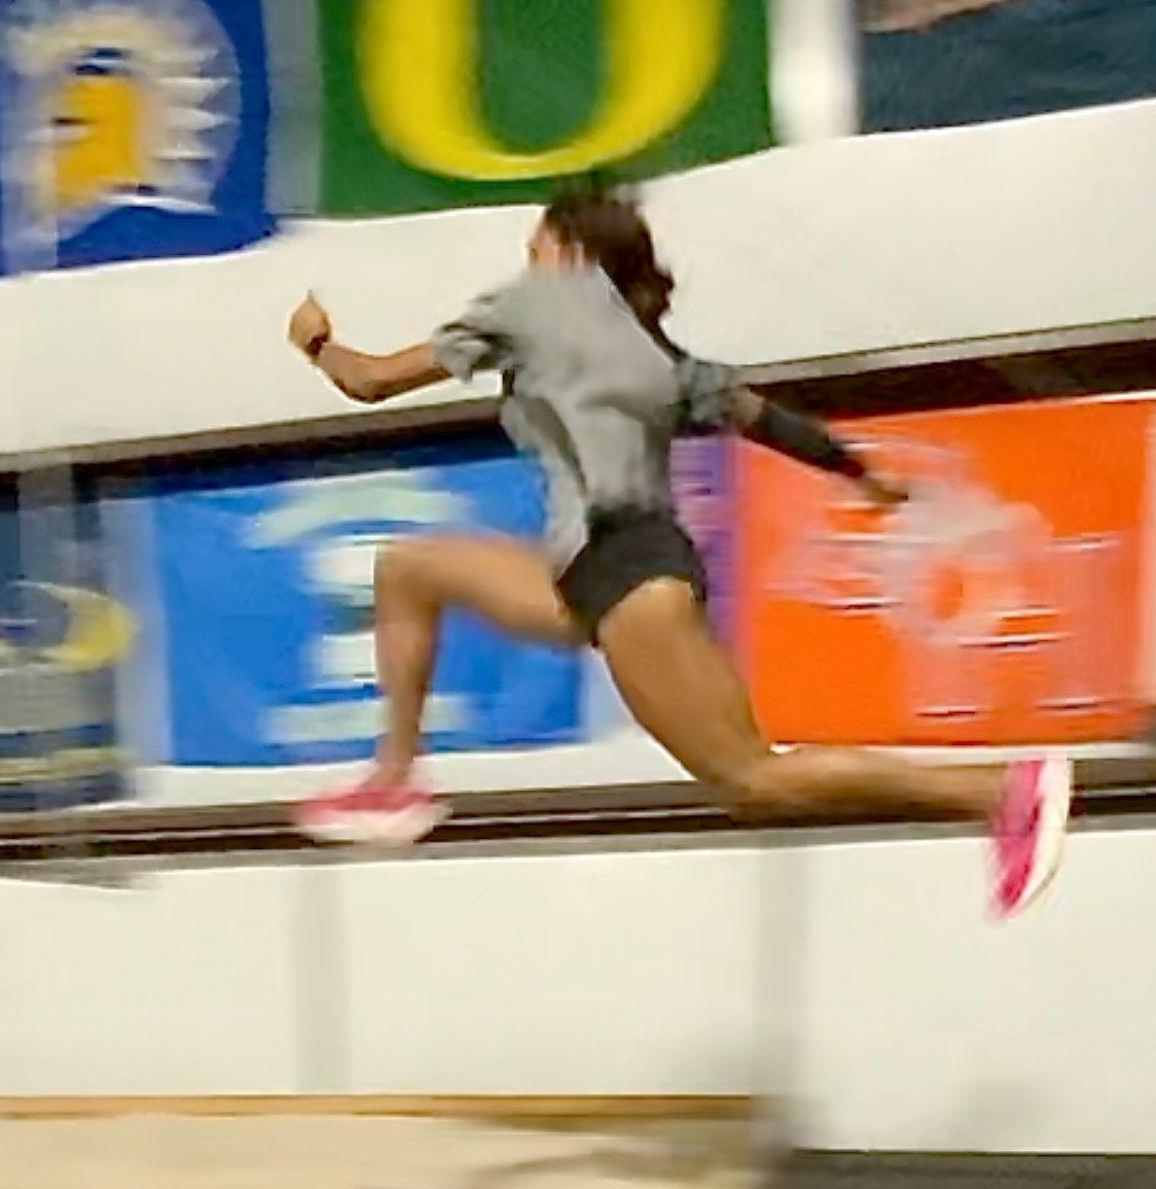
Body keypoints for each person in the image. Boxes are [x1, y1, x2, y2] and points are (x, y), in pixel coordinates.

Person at [287, 189, 1071, 917]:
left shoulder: (535, 300)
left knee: (754, 781)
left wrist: (318, 343)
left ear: (564, 249)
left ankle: (999, 791)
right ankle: (393, 782)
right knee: (409, 568)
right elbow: (764, 419)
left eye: (533, 247)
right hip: (600, 575)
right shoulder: (659, 358)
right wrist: (862, 475)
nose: (525, 263)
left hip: (624, 574)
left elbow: (371, 381)